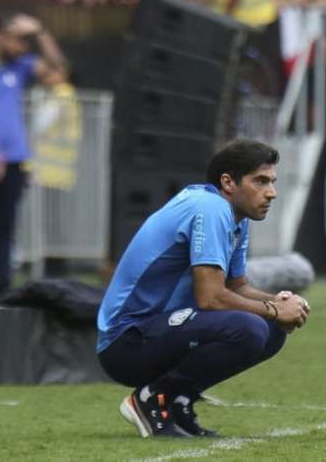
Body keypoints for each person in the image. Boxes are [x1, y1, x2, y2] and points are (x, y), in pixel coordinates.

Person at [97, 139, 311, 438]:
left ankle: (178, 399)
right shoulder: (211, 208)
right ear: (228, 182)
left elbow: (238, 286)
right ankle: (151, 398)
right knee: (250, 328)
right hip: (127, 342)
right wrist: (275, 309)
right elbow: (210, 298)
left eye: (272, 182)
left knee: (271, 328)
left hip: (161, 331)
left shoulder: (235, 215)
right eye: (260, 181)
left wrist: (277, 302)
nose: (271, 192)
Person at [0, 13, 66, 296]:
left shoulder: (20, 67)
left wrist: (41, 32)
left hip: (13, 162)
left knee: (5, 225)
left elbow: (57, 70)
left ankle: (1, 285)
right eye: (19, 40)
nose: (23, 48)